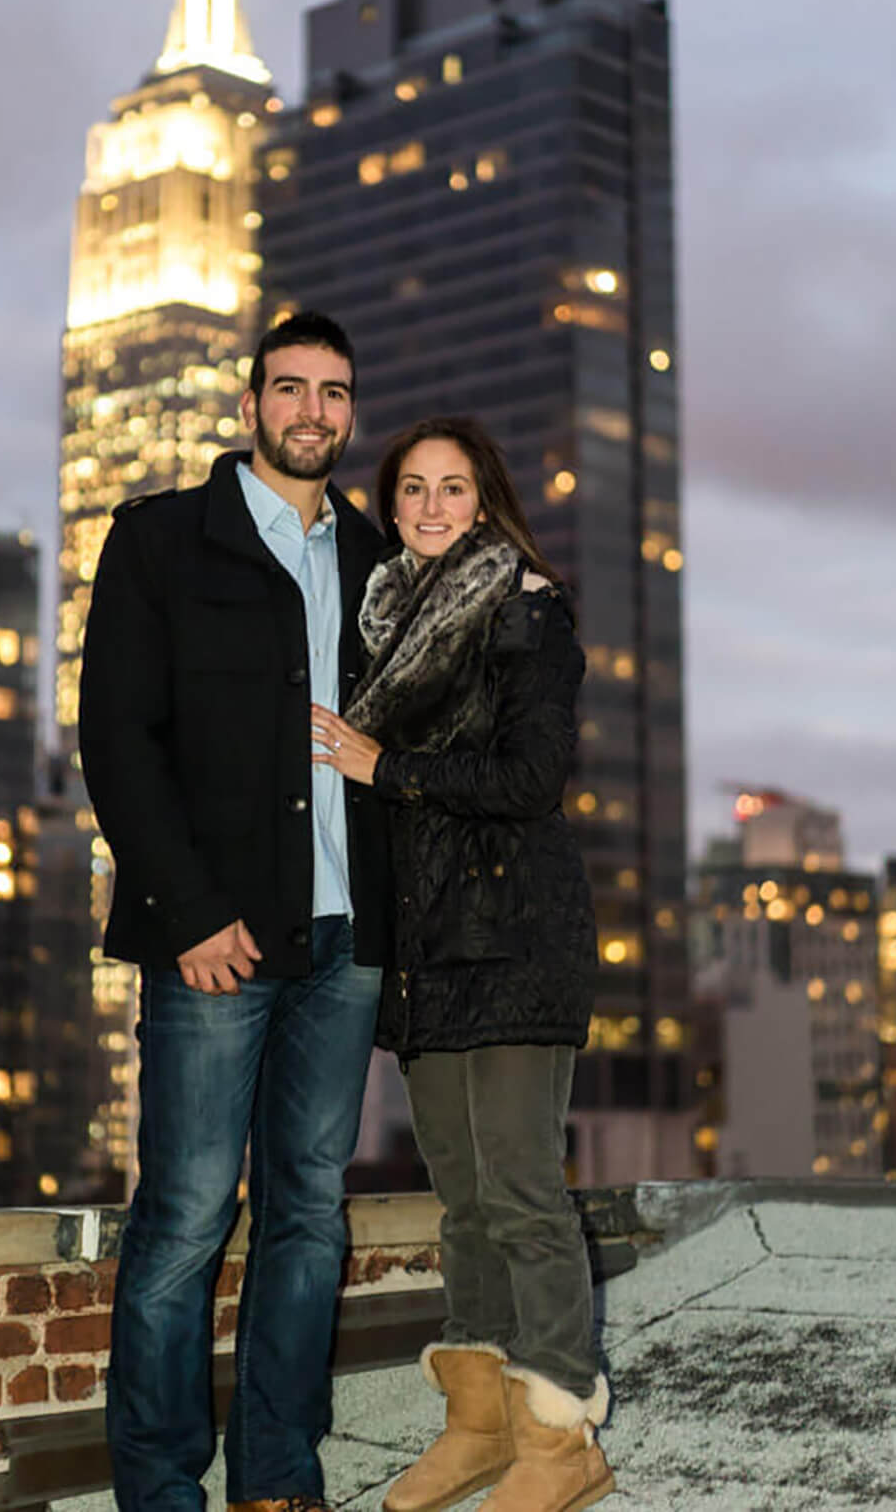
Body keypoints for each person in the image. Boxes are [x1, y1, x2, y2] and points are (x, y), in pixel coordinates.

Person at [78, 312, 390, 1512]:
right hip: (214, 941)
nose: (314, 411)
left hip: (344, 942)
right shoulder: (162, 540)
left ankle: (277, 1475)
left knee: (309, 1214)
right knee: (188, 1214)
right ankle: (158, 1486)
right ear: (251, 399)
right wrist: (191, 910)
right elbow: (117, 737)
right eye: (292, 388)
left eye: (335, 393)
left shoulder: (372, 563)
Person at [311, 416, 614, 1512]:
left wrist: (381, 761)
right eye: (412, 490)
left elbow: (531, 776)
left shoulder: (527, 608)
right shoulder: (389, 619)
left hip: (516, 932)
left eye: (454, 487)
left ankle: (560, 1432)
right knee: (464, 1201)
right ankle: (480, 1419)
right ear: (391, 507)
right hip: (429, 951)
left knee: (525, 1193)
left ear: (483, 500)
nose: (432, 505)